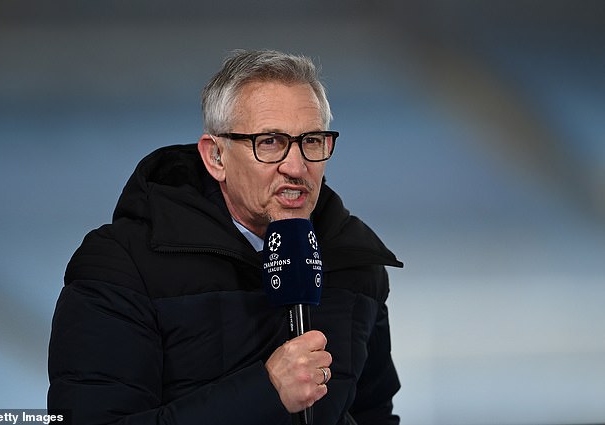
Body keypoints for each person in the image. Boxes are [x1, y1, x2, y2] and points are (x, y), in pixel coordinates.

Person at [48, 49, 403, 425]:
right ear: (216, 156)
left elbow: (374, 414)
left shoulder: (357, 264)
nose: (296, 167)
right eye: (270, 142)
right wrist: (265, 392)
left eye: (312, 141)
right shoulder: (121, 266)